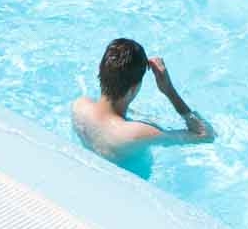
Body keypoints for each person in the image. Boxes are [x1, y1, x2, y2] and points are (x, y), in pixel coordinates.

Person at [71, 38, 214, 169]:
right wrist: (169, 90)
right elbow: (205, 135)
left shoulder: (79, 107)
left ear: (100, 70)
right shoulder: (137, 133)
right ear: (133, 89)